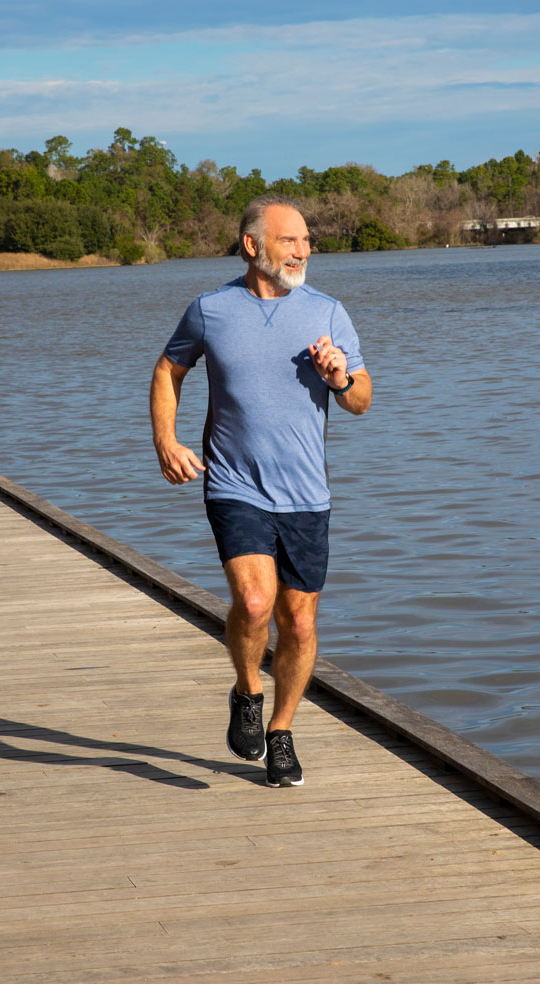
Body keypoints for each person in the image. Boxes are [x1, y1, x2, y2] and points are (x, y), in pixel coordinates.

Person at [149, 194, 372, 787]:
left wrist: (340, 376)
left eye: (306, 240)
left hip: (306, 493)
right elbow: (169, 370)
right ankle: (248, 689)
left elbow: (361, 401)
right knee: (253, 605)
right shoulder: (210, 310)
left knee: (297, 623)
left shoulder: (328, 313)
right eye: (289, 240)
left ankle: (281, 731)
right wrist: (167, 441)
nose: (303, 250)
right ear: (253, 246)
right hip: (233, 483)